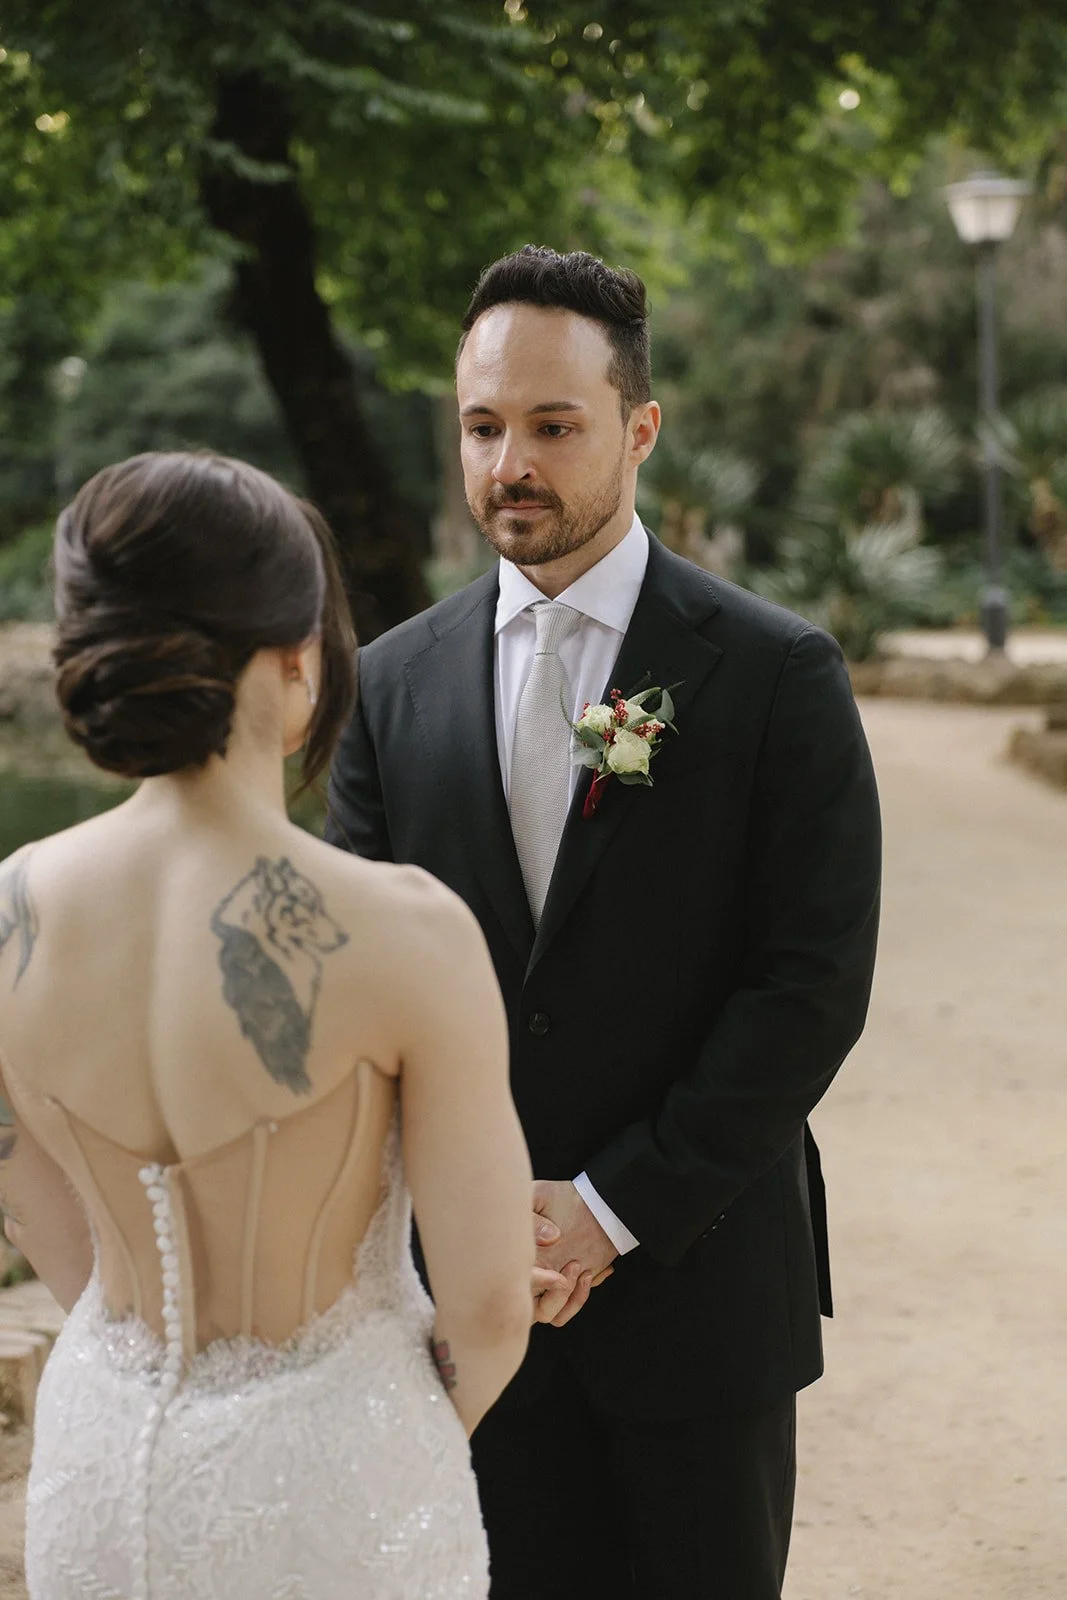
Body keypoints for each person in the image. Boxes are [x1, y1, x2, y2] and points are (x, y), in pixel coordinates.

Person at [326, 246, 883, 1598]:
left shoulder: (773, 674)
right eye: (481, 427)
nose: (509, 463)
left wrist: (608, 1208)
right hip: (459, 1310)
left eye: (552, 426)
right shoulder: (387, 687)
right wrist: (463, 1222)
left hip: (697, 1298)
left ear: (639, 428)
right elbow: (355, 983)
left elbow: (807, 983)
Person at [0, 450, 539, 1600]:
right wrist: (379, 1435)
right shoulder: (404, 930)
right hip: (335, 1484)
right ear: (297, 657)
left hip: (98, 1470)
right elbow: (493, 1305)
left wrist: (140, 1372)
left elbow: (44, 1216)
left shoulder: (11, 912)